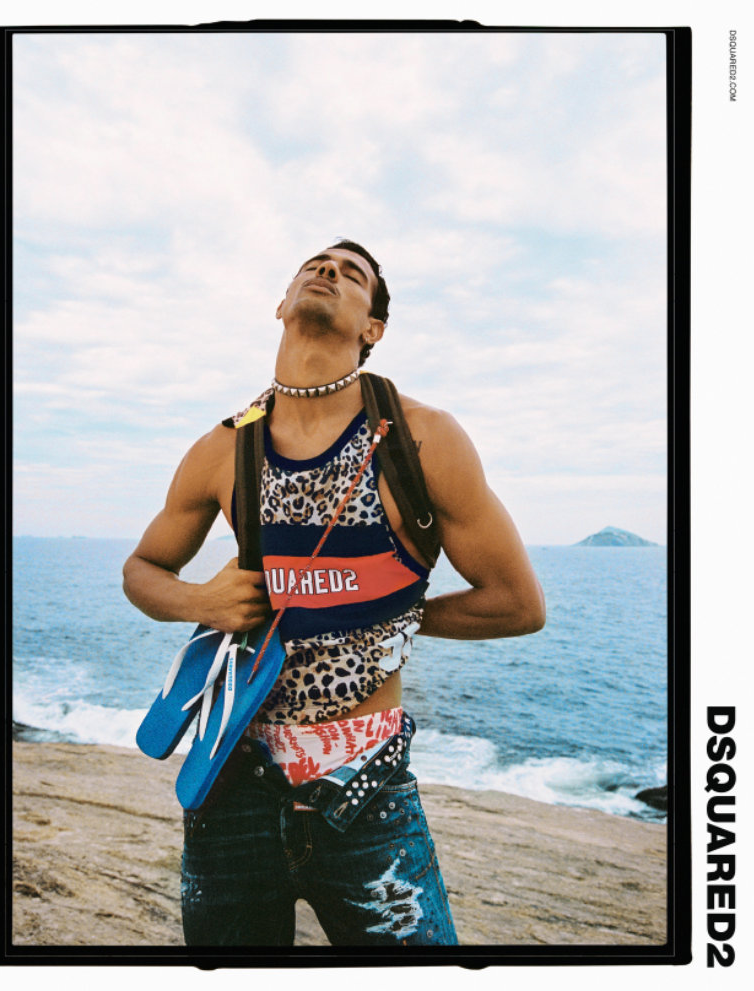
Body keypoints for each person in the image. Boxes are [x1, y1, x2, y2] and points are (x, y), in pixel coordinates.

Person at [123, 239, 545, 946]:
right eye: (315, 265)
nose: (328, 272)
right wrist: (200, 602)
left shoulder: (423, 438)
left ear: (372, 328)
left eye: (353, 275)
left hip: (365, 791)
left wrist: (389, 614)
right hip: (230, 782)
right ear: (281, 304)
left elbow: (517, 602)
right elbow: (142, 569)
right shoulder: (223, 447)